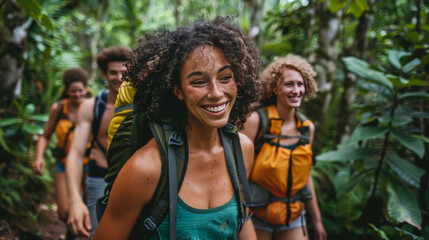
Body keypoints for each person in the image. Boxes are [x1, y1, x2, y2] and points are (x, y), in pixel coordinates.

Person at [92, 16, 261, 239]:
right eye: (198, 81)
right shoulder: (146, 168)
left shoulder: (241, 149)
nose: (217, 93)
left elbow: (241, 221)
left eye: (225, 77)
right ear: (177, 90)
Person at [241, 54, 327, 240]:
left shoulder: (307, 129)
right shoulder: (256, 122)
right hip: (257, 216)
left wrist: (317, 220)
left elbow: (305, 176)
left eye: (300, 84)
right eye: (289, 84)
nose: (296, 90)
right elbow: (240, 176)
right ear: (275, 88)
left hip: (293, 216)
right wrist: (241, 219)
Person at [65, 46, 130, 238]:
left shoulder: (143, 105)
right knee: (98, 234)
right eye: (113, 72)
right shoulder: (91, 106)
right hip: (100, 177)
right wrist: (75, 200)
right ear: (103, 73)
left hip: (134, 180)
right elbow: (75, 155)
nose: (119, 77)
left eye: (124, 72)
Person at [32, 67, 90, 237]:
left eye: (81, 91)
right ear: (66, 91)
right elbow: (45, 136)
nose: (77, 95)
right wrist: (39, 157)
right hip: (64, 163)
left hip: (89, 163)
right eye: (73, 91)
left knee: (89, 205)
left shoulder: (93, 107)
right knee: (64, 211)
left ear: (86, 89)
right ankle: (71, 233)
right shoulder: (59, 108)